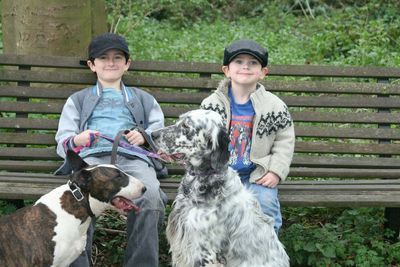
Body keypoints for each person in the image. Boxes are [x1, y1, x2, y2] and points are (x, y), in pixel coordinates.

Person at [55, 33, 167, 267]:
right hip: (92, 162)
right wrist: (78, 139)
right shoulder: (78, 100)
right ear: (92, 65)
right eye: (103, 57)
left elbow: (160, 132)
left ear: (127, 64)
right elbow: (63, 140)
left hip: (133, 160)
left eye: (118, 57)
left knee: (151, 196)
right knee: (78, 196)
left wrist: (144, 137)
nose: (111, 62)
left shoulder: (143, 99)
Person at [201, 39, 295, 234]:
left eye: (253, 63)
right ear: (226, 70)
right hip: (220, 175)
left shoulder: (274, 106)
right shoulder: (211, 104)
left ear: (263, 72)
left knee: (265, 207)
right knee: (209, 216)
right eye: (238, 62)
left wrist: (275, 171)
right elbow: (200, 141)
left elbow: (284, 141)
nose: (245, 66)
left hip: (257, 176)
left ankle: (266, 257)